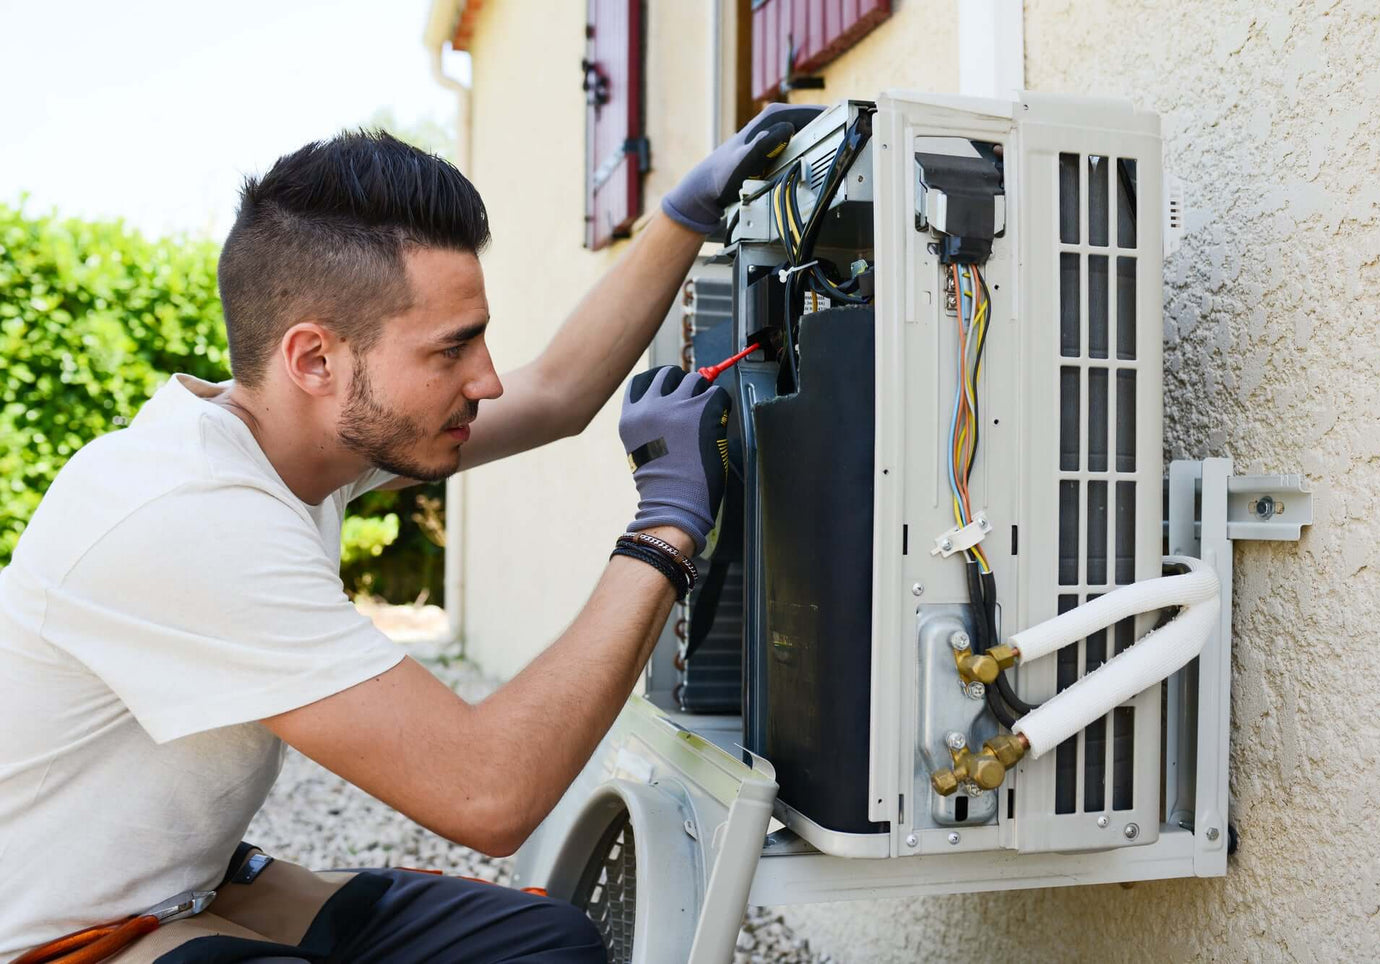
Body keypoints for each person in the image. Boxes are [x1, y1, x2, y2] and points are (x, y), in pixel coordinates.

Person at [0, 103, 820, 962]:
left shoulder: (292, 440)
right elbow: (490, 794)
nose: (488, 379)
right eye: (450, 350)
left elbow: (556, 394)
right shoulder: (190, 517)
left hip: (185, 886)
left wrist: (682, 218)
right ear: (314, 359)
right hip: (65, 939)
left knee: (543, 945)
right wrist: (664, 528)